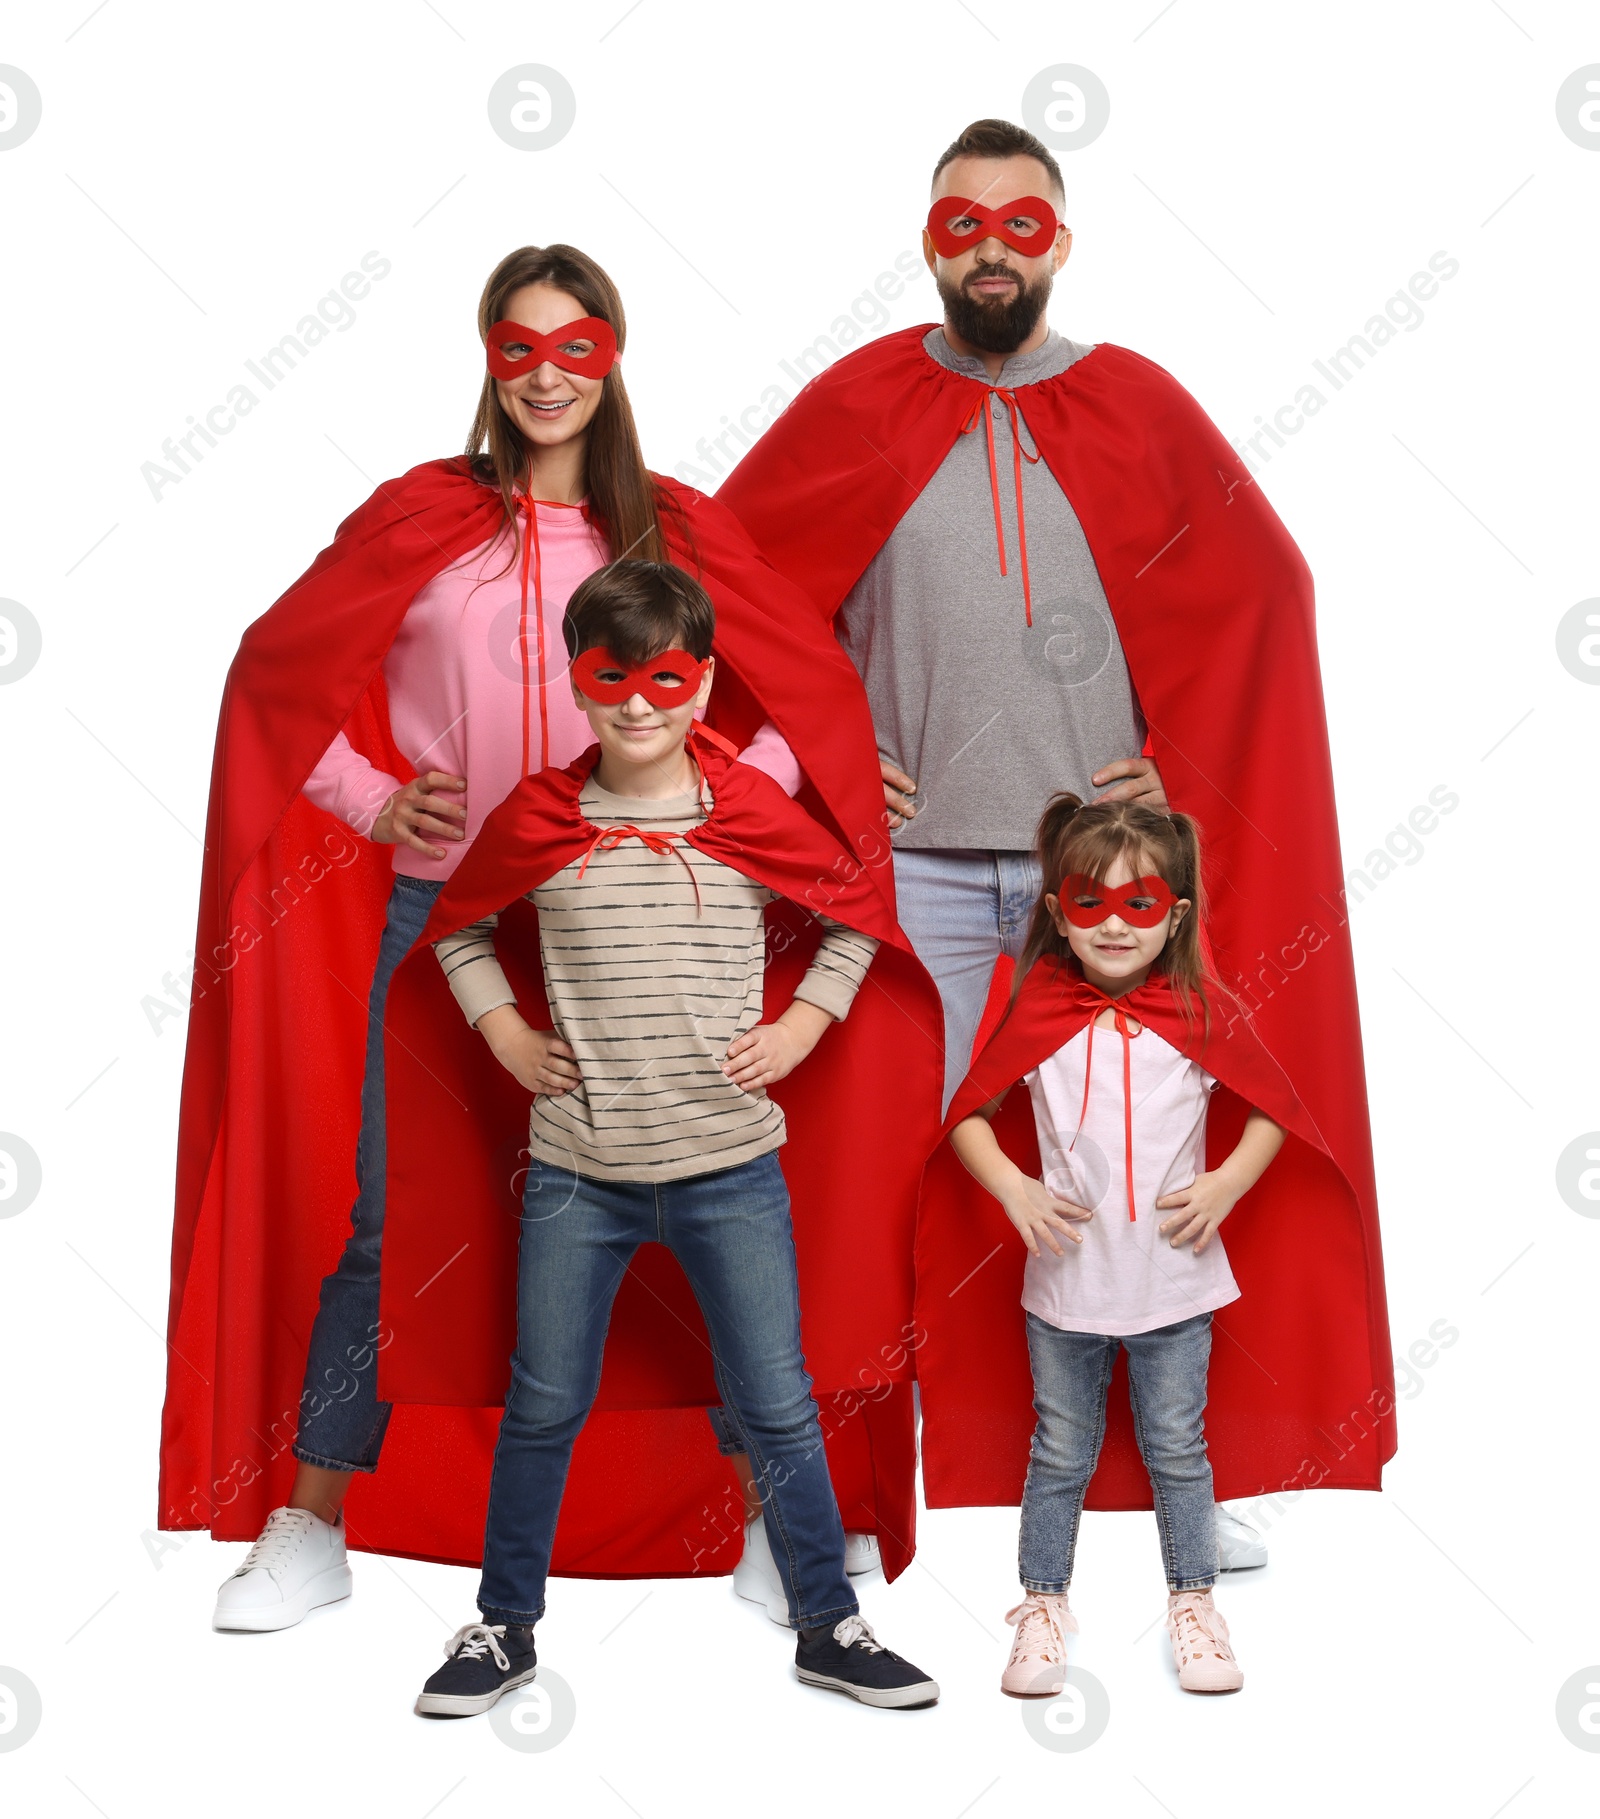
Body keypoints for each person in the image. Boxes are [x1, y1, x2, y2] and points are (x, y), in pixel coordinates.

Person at [165, 242, 941, 1630]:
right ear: (485, 354)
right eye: (517, 346)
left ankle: (776, 1517)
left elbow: (796, 679)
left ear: (615, 355)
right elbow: (275, 677)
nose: (545, 375)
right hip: (455, 911)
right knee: (386, 1220)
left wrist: (769, 781)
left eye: (574, 346)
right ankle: (313, 1511)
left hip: (656, 912)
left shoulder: (676, 531)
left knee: (714, 1216)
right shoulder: (422, 518)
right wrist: (373, 794)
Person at [715, 117, 1393, 1563]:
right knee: (867, 1172)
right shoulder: (860, 402)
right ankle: (815, 1509)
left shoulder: (1135, 404)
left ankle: (1167, 1477)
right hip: (915, 882)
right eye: (964, 223)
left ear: (1062, 243)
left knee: (1132, 1162)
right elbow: (726, 594)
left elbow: (1259, 592)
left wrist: (1179, 759)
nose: (992, 248)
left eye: (1023, 224)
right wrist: (822, 747)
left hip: (1101, 889)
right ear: (930, 242)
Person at [404, 560, 939, 1714]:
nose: (638, 705)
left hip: (730, 1169)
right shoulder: (542, 815)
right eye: (612, 680)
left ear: (700, 688)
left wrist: (804, 1022)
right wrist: (503, 1033)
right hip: (576, 1177)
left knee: (776, 1400)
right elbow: (457, 928)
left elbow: (854, 912)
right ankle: (503, 1628)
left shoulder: (746, 812)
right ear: (577, 682)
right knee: (545, 1401)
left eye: (665, 679)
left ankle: (827, 1626)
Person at [946, 795, 1290, 1696]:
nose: (1112, 927)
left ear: (1174, 914)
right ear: (1057, 910)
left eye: (1138, 905)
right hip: (1065, 1287)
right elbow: (968, 1119)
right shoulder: (1037, 1013)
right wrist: (1014, 1186)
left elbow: (1273, 1114)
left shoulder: (1199, 1012)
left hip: (1175, 1285)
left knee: (1179, 1448)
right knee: (1060, 1449)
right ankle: (1043, 1605)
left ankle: (1193, 1602)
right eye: (1088, 904)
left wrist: (1224, 1185)